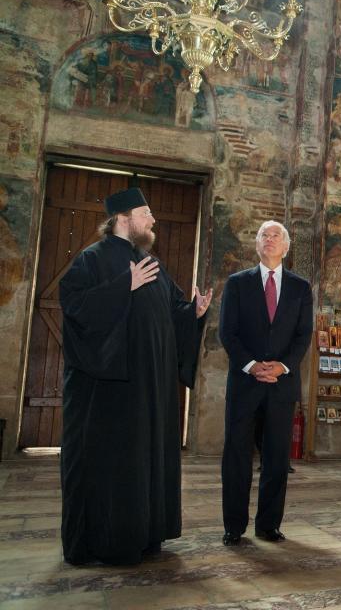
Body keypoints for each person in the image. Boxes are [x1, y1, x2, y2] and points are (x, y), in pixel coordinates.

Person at [59, 187, 211, 565]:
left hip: (150, 390)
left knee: (144, 464)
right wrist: (123, 286)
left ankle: (145, 534)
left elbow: (170, 311)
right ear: (123, 218)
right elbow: (76, 308)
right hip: (107, 394)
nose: (153, 220)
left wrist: (192, 312)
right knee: (110, 468)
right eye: (146, 213)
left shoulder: (150, 263)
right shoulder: (90, 260)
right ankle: (103, 543)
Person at [220, 221, 313, 546]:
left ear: (286, 247)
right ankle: (233, 526)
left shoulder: (301, 288)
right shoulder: (237, 284)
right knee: (237, 456)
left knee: (276, 458)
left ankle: (269, 525)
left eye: (276, 236)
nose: (270, 239)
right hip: (244, 384)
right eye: (264, 235)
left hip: (281, 385)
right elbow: (227, 333)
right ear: (256, 244)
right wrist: (251, 365)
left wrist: (283, 366)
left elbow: (304, 336)